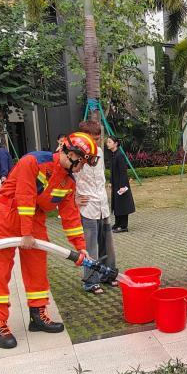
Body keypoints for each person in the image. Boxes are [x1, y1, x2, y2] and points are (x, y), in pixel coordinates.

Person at [0, 132, 98, 349]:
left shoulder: (68, 182)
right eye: (81, 162)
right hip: (7, 215)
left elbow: (71, 216)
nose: (81, 168)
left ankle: (37, 315)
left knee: (37, 267)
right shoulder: (34, 162)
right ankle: (0, 322)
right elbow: (25, 196)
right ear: (70, 153)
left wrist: (81, 247)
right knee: (1, 270)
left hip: (34, 219)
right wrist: (26, 233)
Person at [74, 120, 117, 294]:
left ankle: (108, 275)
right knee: (91, 247)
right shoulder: (75, 154)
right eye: (93, 139)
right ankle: (91, 281)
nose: (96, 142)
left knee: (107, 244)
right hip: (87, 206)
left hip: (102, 204)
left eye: (98, 138)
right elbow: (67, 178)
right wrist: (74, 198)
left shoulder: (99, 152)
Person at [106, 136, 135, 232]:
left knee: (122, 204)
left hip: (121, 183)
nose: (108, 144)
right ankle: (117, 223)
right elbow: (112, 171)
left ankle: (123, 226)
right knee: (116, 203)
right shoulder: (113, 154)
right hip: (115, 183)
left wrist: (123, 186)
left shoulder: (120, 155)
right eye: (107, 142)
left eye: (109, 142)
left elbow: (123, 171)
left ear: (116, 143)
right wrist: (110, 182)